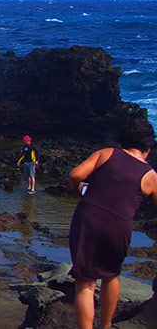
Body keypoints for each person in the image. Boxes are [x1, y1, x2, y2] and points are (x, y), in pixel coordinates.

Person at [68, 118, 157, 329]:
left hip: (87, 218)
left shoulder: (107, 154)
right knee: (111, 274)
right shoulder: (151, 175)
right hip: (118, 226)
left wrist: (81, 190)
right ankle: (106, 325)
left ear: (123, 141)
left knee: (85, 284)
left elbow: (75, 175)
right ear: (148, 147)